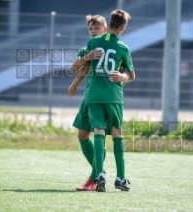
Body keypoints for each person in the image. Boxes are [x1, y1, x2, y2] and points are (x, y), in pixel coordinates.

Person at [68, 14, 129, 191]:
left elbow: (125, 74)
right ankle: (100, 170)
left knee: (99, 133)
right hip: (90, 97)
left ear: (106, 29)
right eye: (90, 29)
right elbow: (77, 67)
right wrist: (74, 84)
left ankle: (95, 177)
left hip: (104, 98)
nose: (93, 31)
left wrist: (122, 77)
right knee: (82, 136)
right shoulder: (90, 47)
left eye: (96, 28)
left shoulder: (114, 48)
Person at [85, 9, 135, 192]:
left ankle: (99, 174)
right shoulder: (122, 47)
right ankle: (121, 178)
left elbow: (82, 64)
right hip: (113, 97)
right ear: (122, 27)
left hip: (94, 96)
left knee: (98, 130)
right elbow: (131, 76)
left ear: (109, 24)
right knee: (117, 133)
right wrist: (121, 76)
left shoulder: (93, 42)